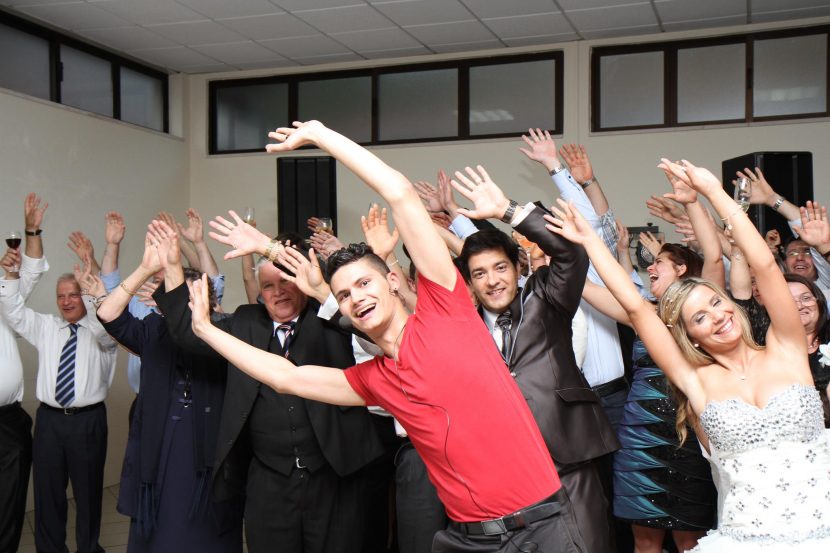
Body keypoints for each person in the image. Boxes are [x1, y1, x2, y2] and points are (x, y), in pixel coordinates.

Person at [191, 120, 585, 553]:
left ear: (392, 282)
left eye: (364, 283)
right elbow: (286, 377)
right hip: (467, 539)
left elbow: (399, 192)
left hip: (539, 528)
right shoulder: (377, 379)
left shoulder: (444, 309)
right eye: (344, 294)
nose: (356, 297)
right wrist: (205, 329)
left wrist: (322, 136)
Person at [546, 158, 830, 552]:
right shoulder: (695, 380)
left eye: (716, 302)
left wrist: (712, 192)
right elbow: (635, 308)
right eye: (699, 317)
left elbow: (765, 264)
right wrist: (589, 243)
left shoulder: (787, 348)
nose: (717, 316)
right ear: (689, 337)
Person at [155, 219, 384, 553]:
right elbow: (189, 332)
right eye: (268, 286)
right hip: (269, 481)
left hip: (335, 472)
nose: (278, 292)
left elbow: (367, 329)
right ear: (260, 294)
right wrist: (173, 266)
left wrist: (280, 255)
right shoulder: (244, 321)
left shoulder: (329, 318)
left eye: (285, 281)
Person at [451, 164, 619, 553]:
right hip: (503, 470)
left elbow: (570, 254)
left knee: (589, 545)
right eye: (480, 274)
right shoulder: (462, 328)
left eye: (500, 268)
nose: (493, 280)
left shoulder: (545, 297)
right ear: (470, 282)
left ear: (517, 267)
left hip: (567, 457)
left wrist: (507, 210)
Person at [86, 223, 243, 553]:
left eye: (192, 298)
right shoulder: (153, 329)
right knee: (159, 534)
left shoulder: (226, 331)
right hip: (159, 445)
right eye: (178, 299)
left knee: (203, 534)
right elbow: (108, 313)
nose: (184, 306)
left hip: (206, 450)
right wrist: (145, 269)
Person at [0, 237, 117, 553]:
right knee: (48, 494)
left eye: (73, 295)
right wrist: (10, 275)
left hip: (88, 422)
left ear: (84, 297)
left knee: (88, 494)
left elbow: (104, 321)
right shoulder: (46, 327)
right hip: (49, 422)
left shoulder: (104, 332)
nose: (66, 301)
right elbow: (13, 311)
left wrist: (90, 282)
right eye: (61, 296)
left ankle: (88, 549)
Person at [0, 193, 47, 553]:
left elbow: (29, 272)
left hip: (7, 423)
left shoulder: (3, 294)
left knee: (8, 505)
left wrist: (32, 231)